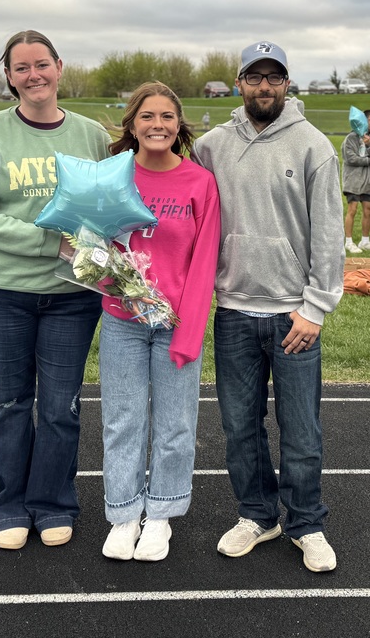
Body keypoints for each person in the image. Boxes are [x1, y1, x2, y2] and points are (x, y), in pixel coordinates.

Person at [191, 41, 344, 574]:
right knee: (239, 427)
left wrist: (316, 307)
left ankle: (306, 521)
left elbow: (328, 235)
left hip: (293, 315)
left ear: (286, 83)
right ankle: (258, 514)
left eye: (274, 77)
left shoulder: (313, 146)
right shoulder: (210, 146)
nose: (264, 87)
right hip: (233, 310)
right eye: (254, 78)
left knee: (301, 429)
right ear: (239, 83)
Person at [0, 30, 110, 551]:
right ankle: (9, 507)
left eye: (41, 64)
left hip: (71, 297)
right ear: (9, 77)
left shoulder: (90, 134)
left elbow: (110, 204)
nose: (33, 75)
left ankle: (54, 503)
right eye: (21, 68)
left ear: (60, 67)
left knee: (61, 407)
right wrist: (52, 244)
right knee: (11, 402)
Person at [98, 82, 220, 562]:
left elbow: (205, 257)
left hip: (176, 323)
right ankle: (124, 513)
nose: (157, 126)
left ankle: (162, 514)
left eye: (167, 117)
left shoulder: (198, 182)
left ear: (179, 125)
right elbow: (94, 241)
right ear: (132, 124)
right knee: (122, 420)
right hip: (122, 320)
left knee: (175, 423)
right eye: (147, 117)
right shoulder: (114, 176)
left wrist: (189, 328)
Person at [341, 108, 370, 252]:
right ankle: (348, 241)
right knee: (352, 209)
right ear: (364, 121)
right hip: (353, 179)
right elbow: (350, 158)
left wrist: (369, 145)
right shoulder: (350, 138)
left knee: (368, 210)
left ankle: (365, 241)